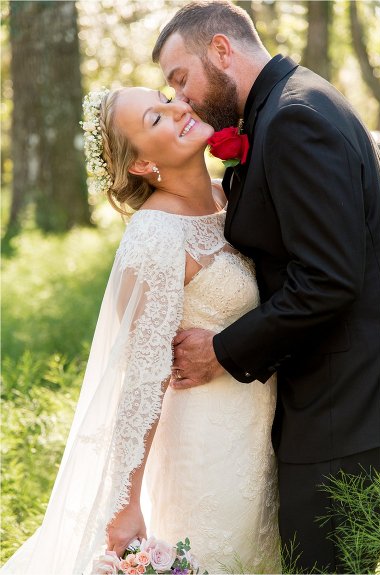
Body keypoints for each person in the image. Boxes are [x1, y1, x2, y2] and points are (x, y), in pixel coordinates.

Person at [0, 88, 279, 574]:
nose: (179, 108)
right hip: (206, 447)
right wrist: (125, 501)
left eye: (166, 98)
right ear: (141, 165)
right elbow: (142, 377)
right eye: (157, 117)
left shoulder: (227, 195)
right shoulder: (155, 236)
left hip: (261, 428)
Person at [151, 1, 380, 572]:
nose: (181, 99)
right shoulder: (282, 109)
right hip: (309, 405)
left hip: (336, 417)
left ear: (223, 51)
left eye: (182, 79)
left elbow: (327, 279)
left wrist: (223, 351)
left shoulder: (295, 118)